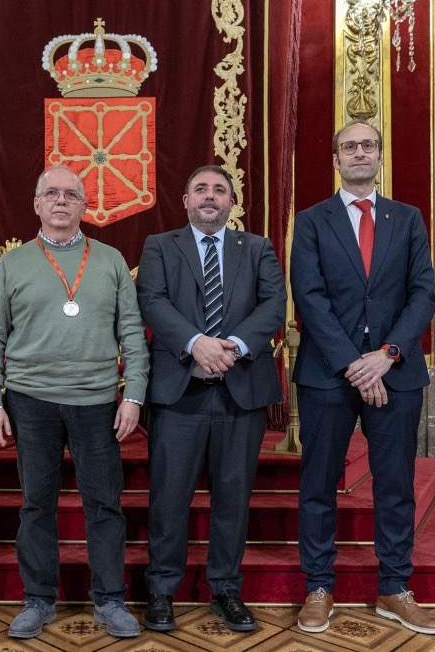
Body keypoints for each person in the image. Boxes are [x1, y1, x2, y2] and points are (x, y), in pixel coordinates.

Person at [0, 164, 149, 640]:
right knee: (37, 504)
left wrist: (132, 394)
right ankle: (38, 599)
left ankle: (111, 599)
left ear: (83, 205)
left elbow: (132, 334)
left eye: (70, 194)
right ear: (36, 204)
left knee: (104, 504)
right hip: (30, 402)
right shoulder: (13, 263)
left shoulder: (112, 260)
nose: (60, 201)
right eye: (50, 193)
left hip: (97, 402)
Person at [291, 120, 435, 635]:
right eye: (349, 146)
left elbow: (423, 293)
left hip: (395, 374)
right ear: (336, 158)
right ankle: (318, 587)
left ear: (379, 156)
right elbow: (308, 296)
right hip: (327, 375)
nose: (359, 152)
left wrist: (388, 355)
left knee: (396, 485)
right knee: (318, 485)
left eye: (368, 145)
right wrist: (357, 363)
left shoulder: (409, 218)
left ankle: (395, 588)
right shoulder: (310, 220)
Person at [136, 165, 286, 633]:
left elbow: (273, 307)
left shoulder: (258, 248)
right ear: (185, 200)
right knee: (168, 499)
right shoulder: (160, 246)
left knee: (233, 497)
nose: (210, 196)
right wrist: (197, 342)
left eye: (219, 190)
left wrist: (233, 347)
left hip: (240, 395)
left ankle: (226, 589)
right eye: (200, 188)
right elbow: (153, 301)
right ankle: (162, 591)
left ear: (231, 203)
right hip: (178, 394)